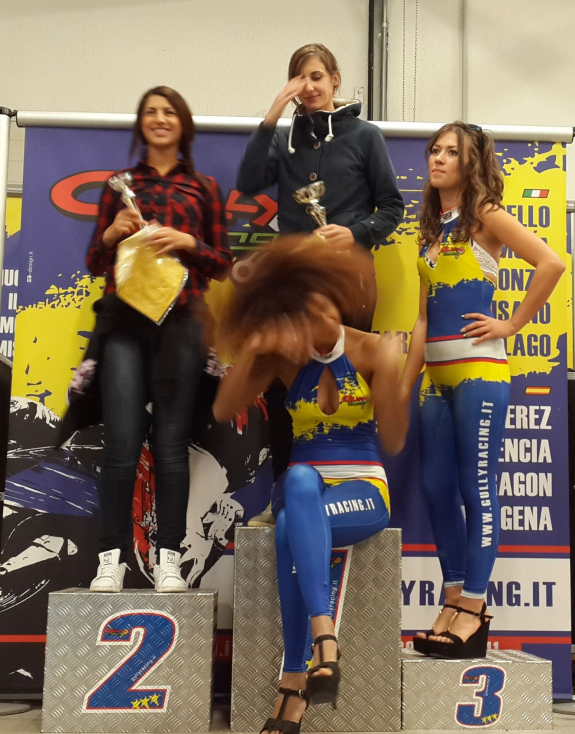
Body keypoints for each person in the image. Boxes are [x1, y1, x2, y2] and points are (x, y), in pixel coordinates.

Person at [213, 237, 408, 734]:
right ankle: (325, 640)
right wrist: (255, 349)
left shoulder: (370, 348)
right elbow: (223, 408)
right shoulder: (284, 357)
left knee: (291, 528)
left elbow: (393, 439)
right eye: (302, 311)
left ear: (334, 300)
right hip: (305, 489)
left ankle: (294, 682)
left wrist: (392, 373)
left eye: (322, 304)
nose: (317, 317)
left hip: (364, 490)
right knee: (299, 479)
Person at [399, 121, 565, 658]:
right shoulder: (430, 228)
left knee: (478, 488)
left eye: (452, 152)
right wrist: (403, 388)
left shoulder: (486, 215)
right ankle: (451, 597)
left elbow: (552, 263)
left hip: (480, 373)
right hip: (436, 379)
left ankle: (473, 606)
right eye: (436, 149)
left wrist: (511, 324)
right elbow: (422, 320)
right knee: (435, 487)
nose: (438, 158)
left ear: (471, 163)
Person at [237, 42, 405, 514]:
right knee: (283, 387)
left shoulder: (365, 136)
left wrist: (354, 233)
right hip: (294, 285)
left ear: (335, 79)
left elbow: (393, 207)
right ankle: (285, 498)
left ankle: (350, 494)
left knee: (347, 384)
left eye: (316, 76)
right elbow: (248, 181)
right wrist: (273, 114)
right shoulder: (284, 139)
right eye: (299, 78)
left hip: (350, 282)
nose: (308, 87)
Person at [85, 85, 232, 593]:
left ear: (183, 123)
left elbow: (223, 264)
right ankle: (110, 561)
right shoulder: (119, 186)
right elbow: (95, 261)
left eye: (169, 111)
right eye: (150, 111)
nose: (160, 118)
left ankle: (169, 558)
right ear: (140, 123)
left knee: (170, 446)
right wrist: (113, 233)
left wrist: (187, 241)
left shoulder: (203, 188)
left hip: (183, 326)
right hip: (124, 325)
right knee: (121, 445)